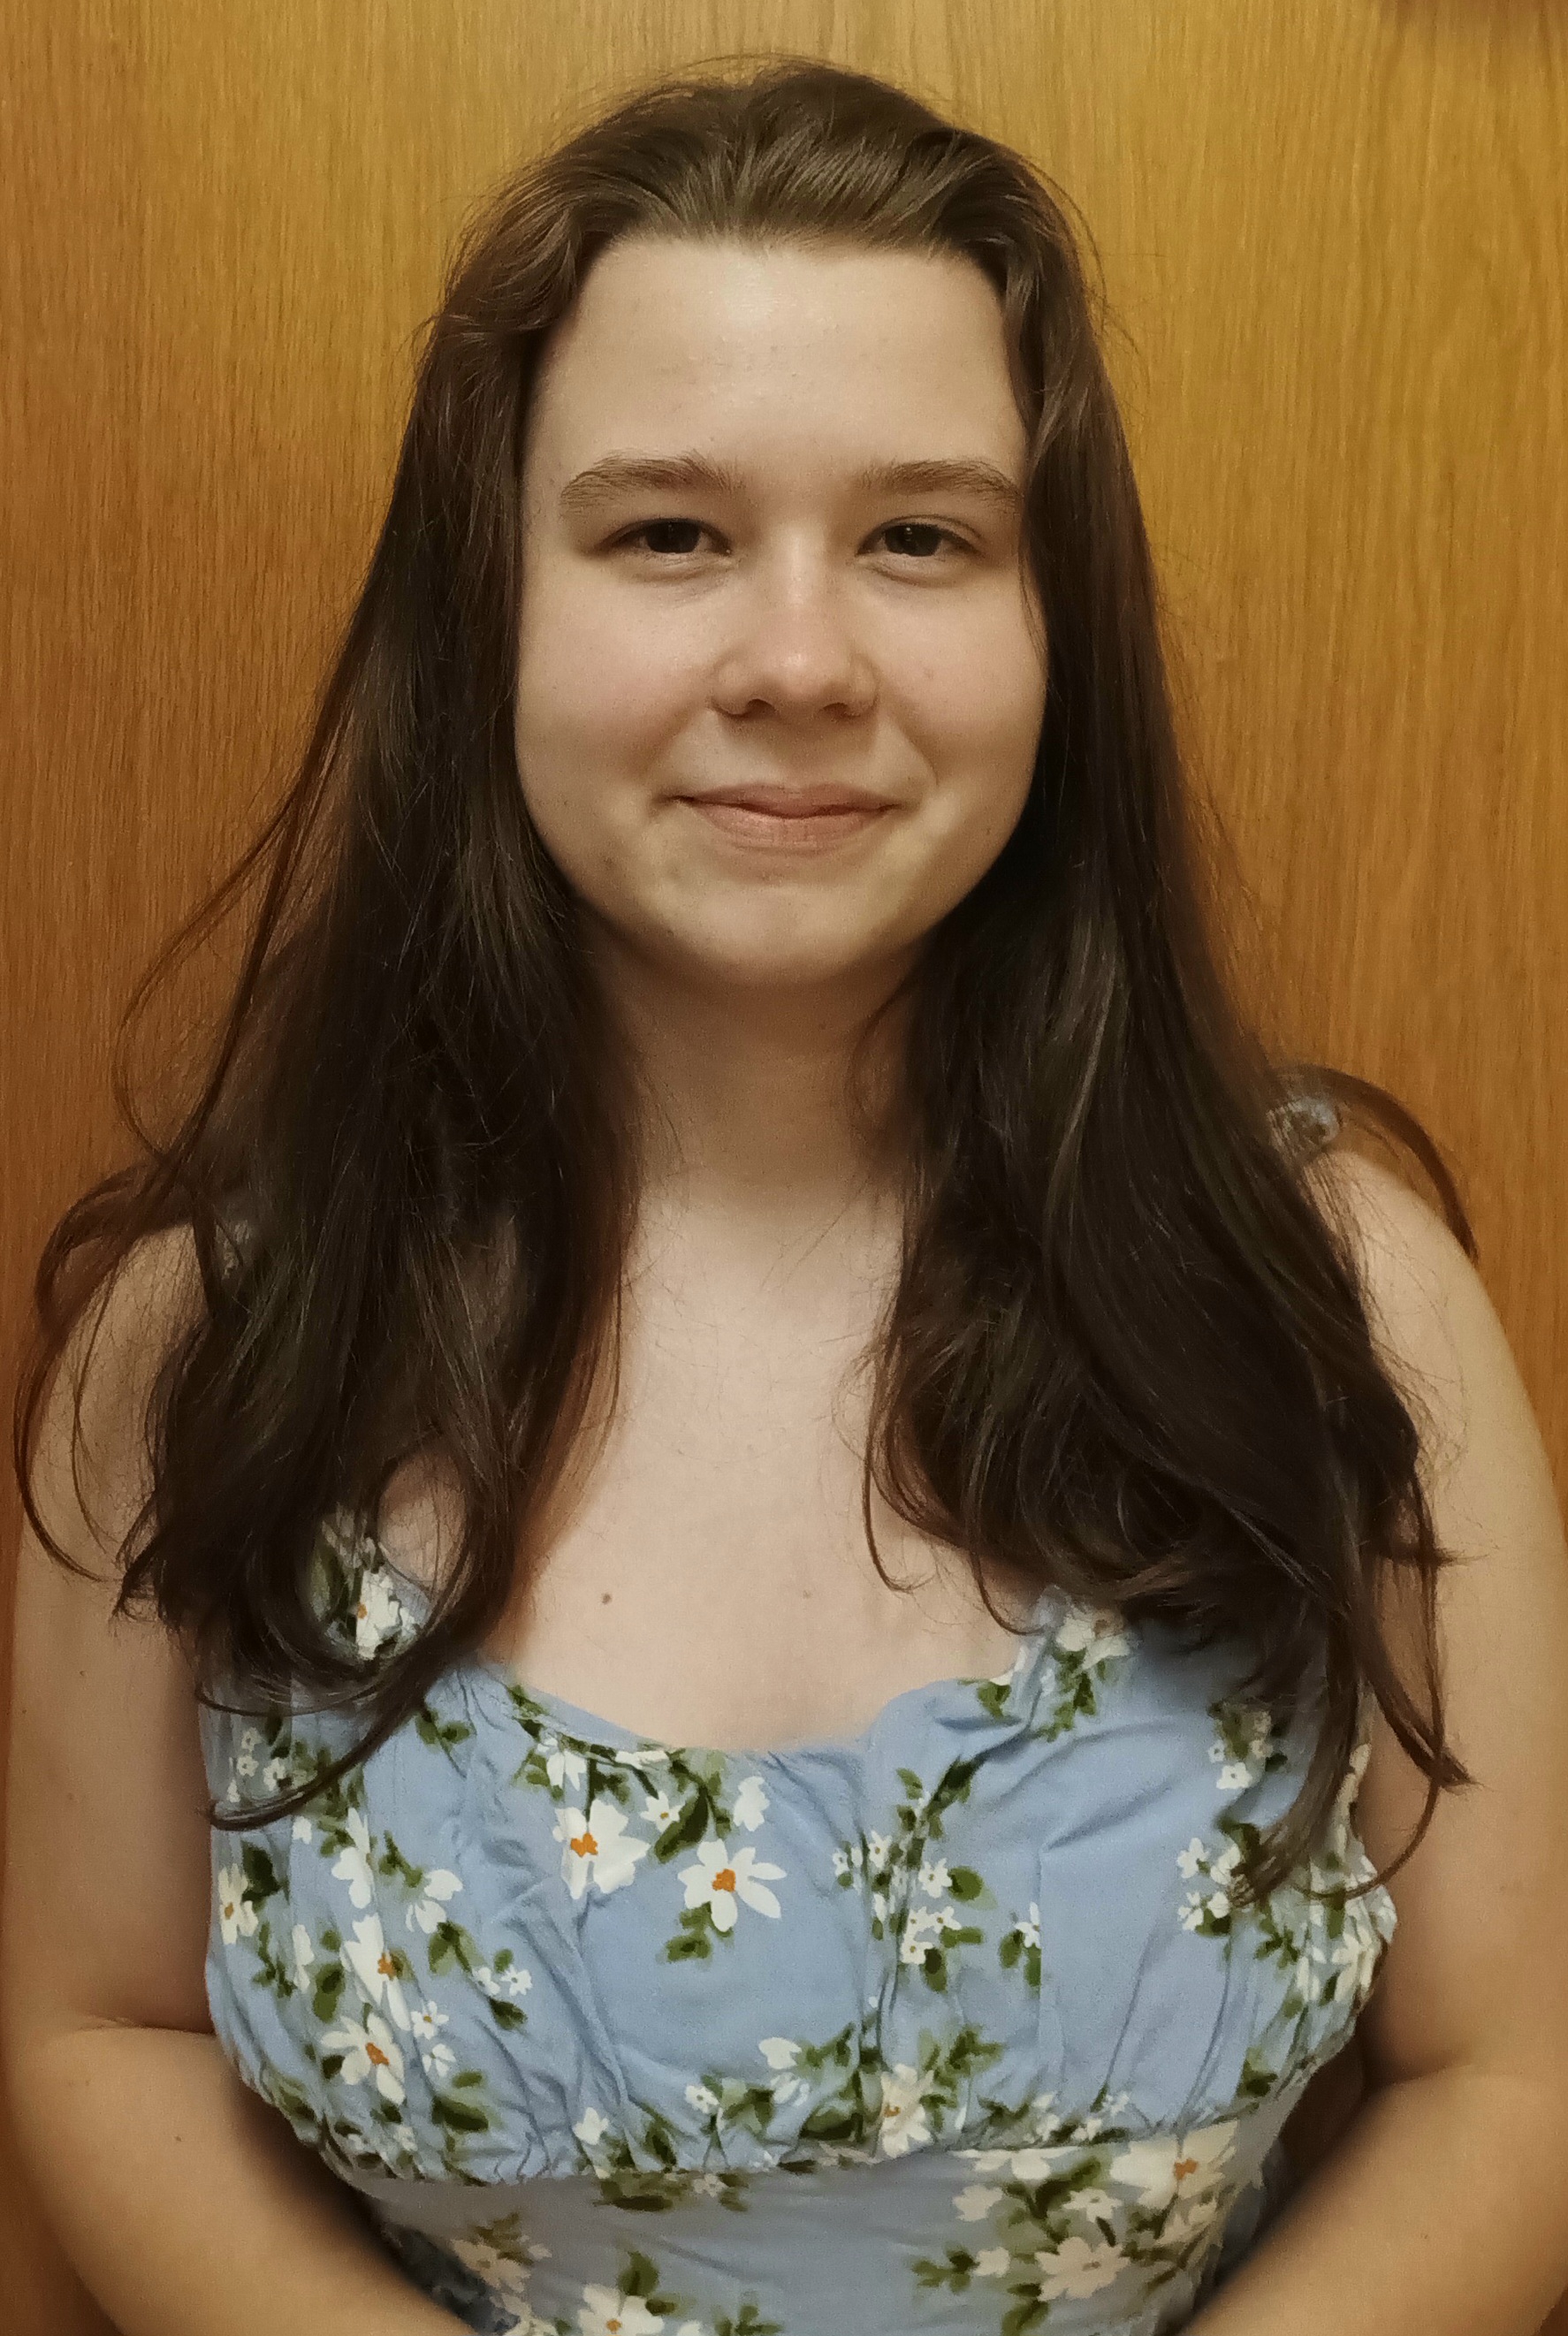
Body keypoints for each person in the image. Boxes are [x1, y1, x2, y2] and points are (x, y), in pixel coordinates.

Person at [4, 53, 1567, 2336]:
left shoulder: (1347, 1307)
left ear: (1055, 629)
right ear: (496, 612)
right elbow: (96, 2028)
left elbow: (1510, 2077)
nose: (804, 662)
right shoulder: (216, 1341)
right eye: (670, 533)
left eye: (921, 535)